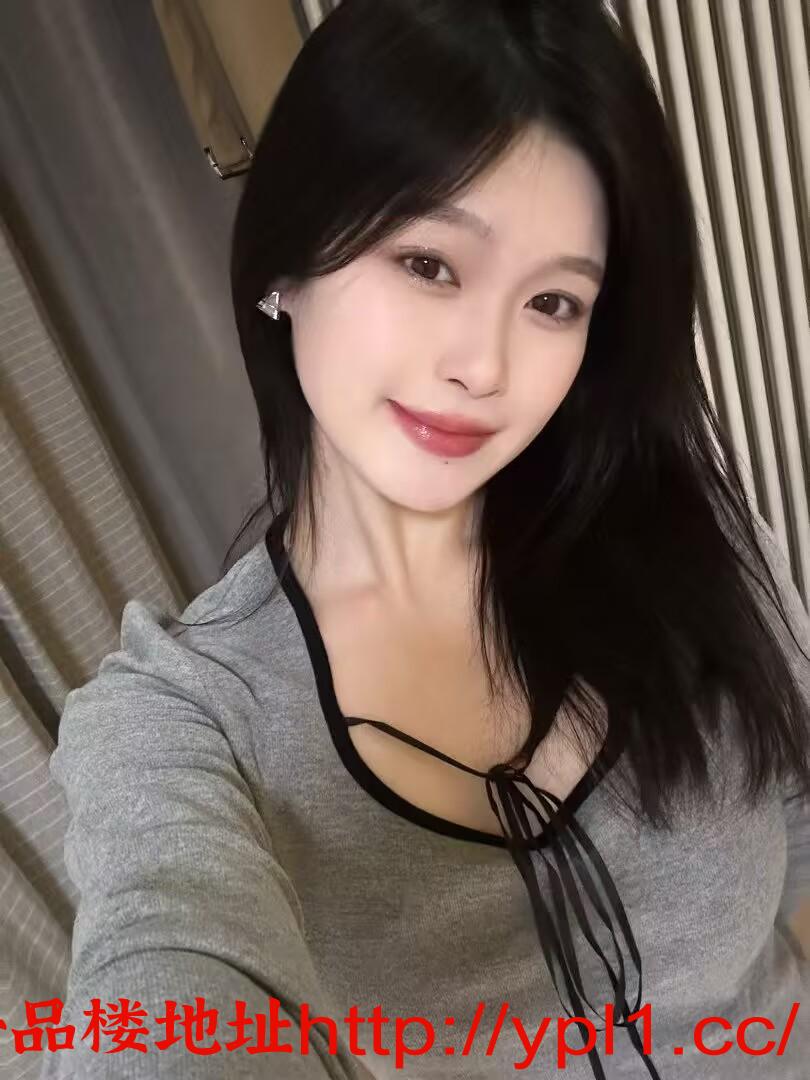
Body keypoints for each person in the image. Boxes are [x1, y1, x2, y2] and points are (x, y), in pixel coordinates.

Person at [42, 1, 809, 1077]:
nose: (484, 366)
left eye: (554, 302)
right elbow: (167, 971)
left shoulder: (697, 546)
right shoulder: (185, 720)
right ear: (284, 264)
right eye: (429, 265)